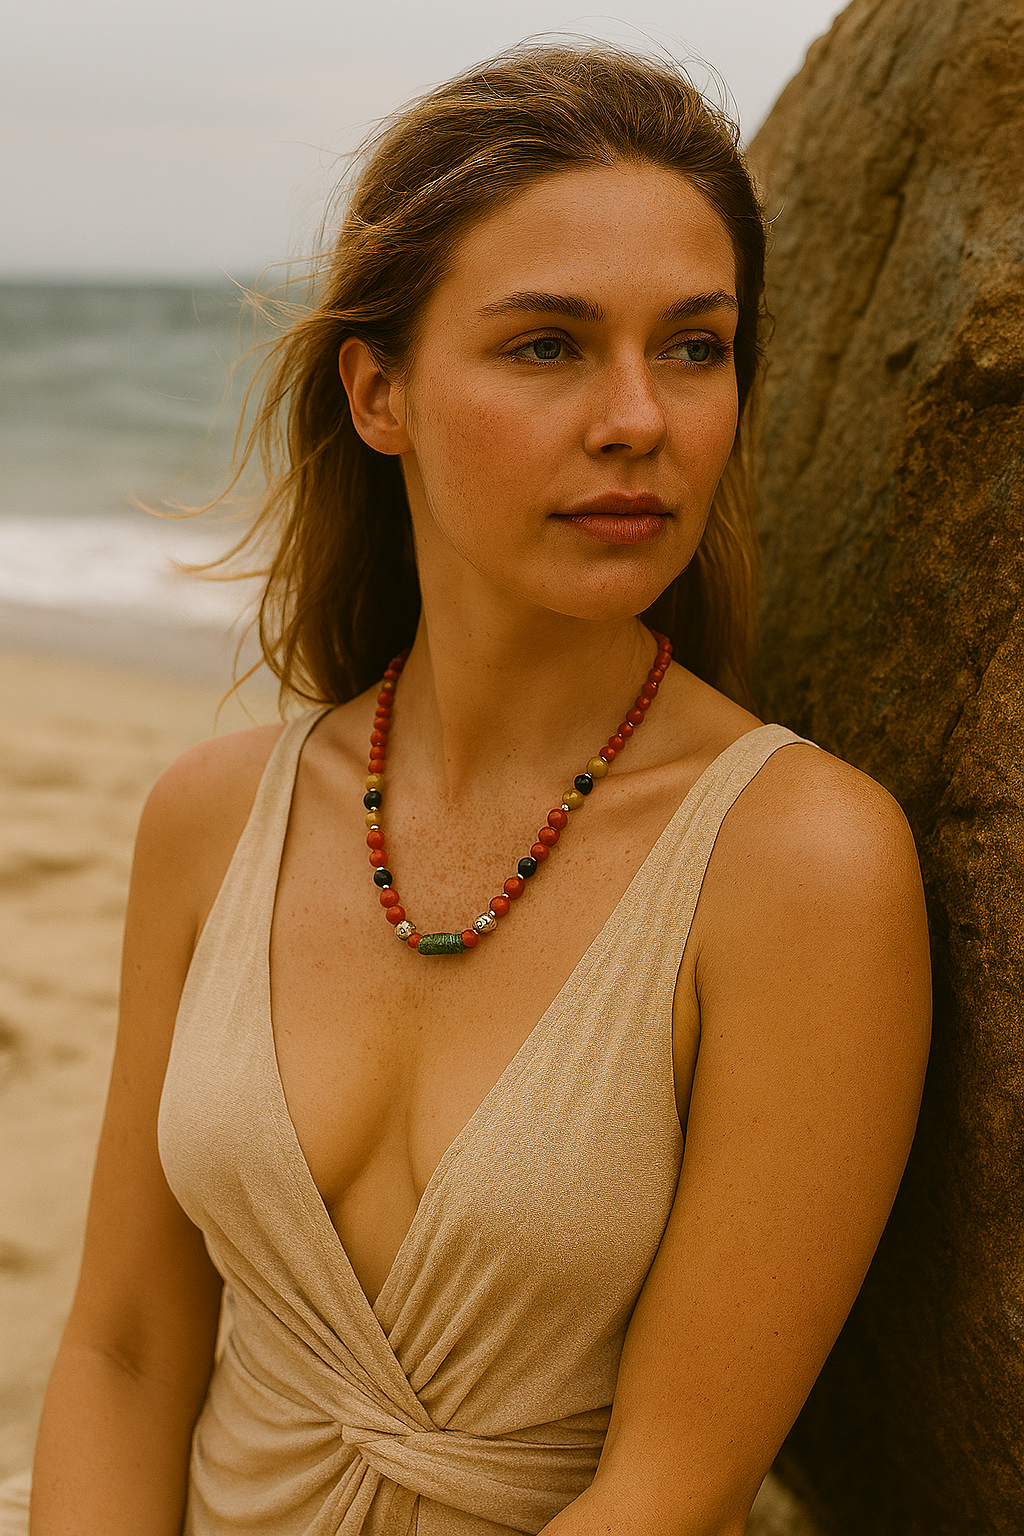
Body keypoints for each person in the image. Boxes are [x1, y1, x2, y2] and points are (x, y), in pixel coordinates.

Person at [26, 43, 931, 1536]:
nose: (639, 416)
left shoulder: (800, 864)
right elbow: (124, 1353)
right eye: (547, 346)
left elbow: (668, 1490)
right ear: (378, 392)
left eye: (695, 346)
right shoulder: (212, 822)